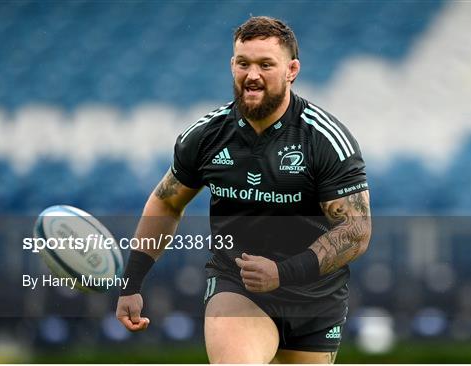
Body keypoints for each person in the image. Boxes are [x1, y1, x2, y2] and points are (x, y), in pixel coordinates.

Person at [116, 16, 371, 364]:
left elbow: (356, 230)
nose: (252, 75)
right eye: (243, 63)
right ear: (232, 66)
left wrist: (283, 273)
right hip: (237, 287)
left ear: (291, 69)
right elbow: (166, 203)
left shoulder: (324, 139)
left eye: (266, 64)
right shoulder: (205, 136)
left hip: (314, 298)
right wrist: (131, 281)